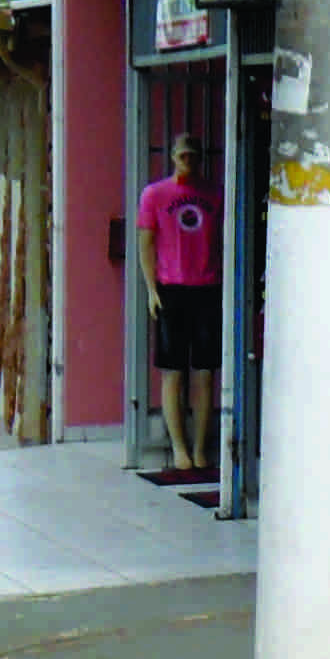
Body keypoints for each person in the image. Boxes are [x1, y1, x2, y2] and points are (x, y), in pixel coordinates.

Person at [136, 135, 220, 474]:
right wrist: (151, 289)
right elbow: (146, 241)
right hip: (171, 287)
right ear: (173, 157)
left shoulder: (213, 195)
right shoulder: (155, 195)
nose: (188, 162)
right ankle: (179, 446)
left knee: (204, 373)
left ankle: (200, 447)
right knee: (172, 373)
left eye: (193, 157)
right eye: (183, 157)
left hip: (207, 287)